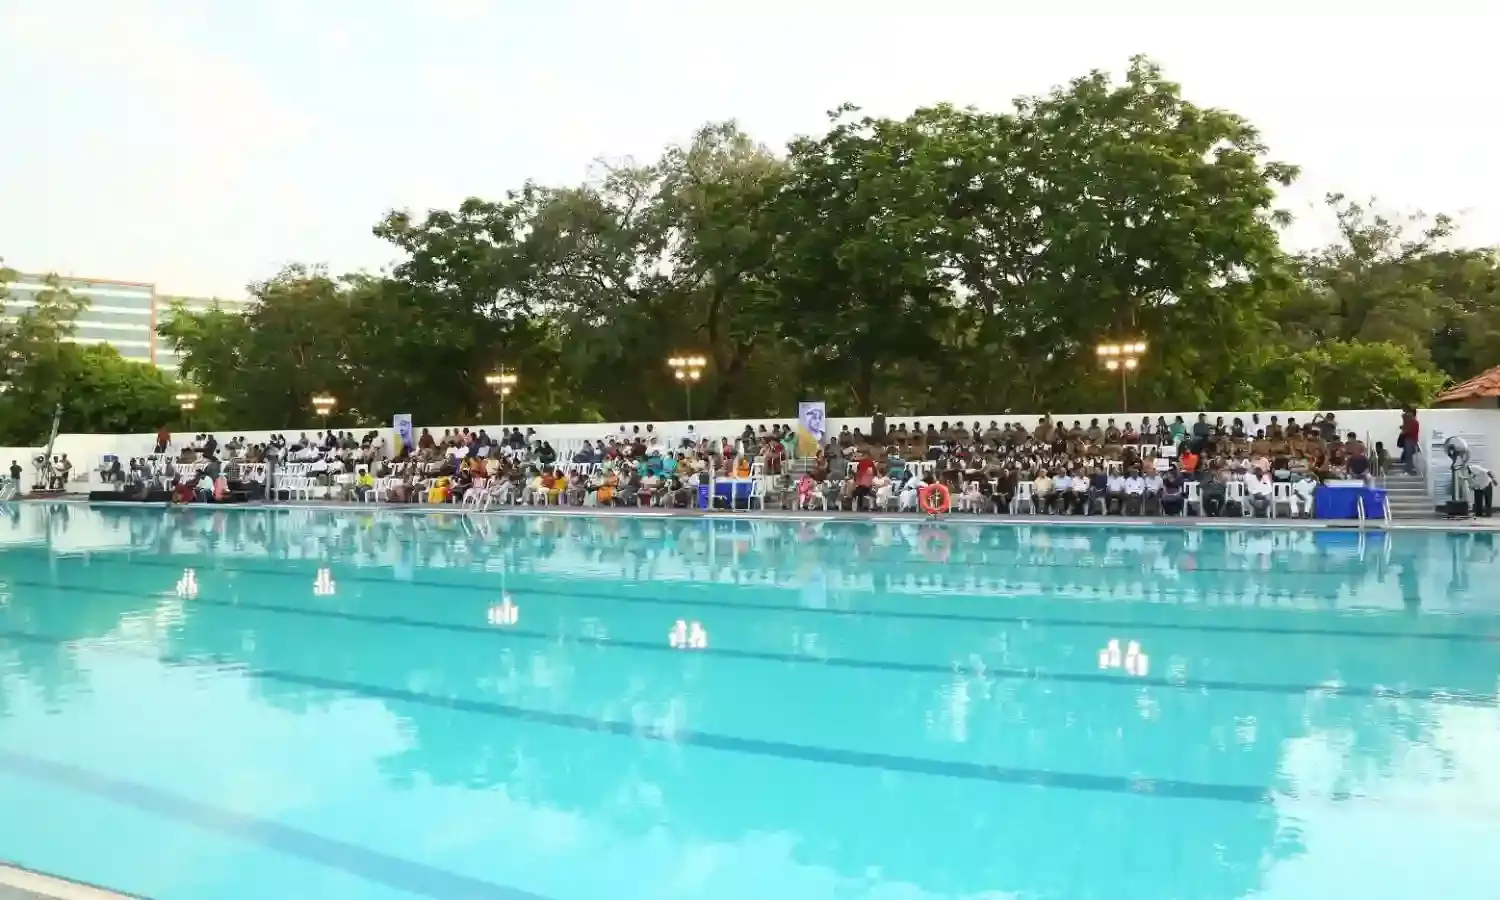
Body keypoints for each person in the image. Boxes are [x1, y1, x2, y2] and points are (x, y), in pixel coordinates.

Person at [1398, 408, 1420, 475]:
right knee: (1408, 456)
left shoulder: (1413, 422)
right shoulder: (1413, 422)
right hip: (1411, 441)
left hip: (1410, 440)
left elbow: (1407, 431)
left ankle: (1408, 471)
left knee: (1408, 457)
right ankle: (1408, 470)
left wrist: (1403, 430)